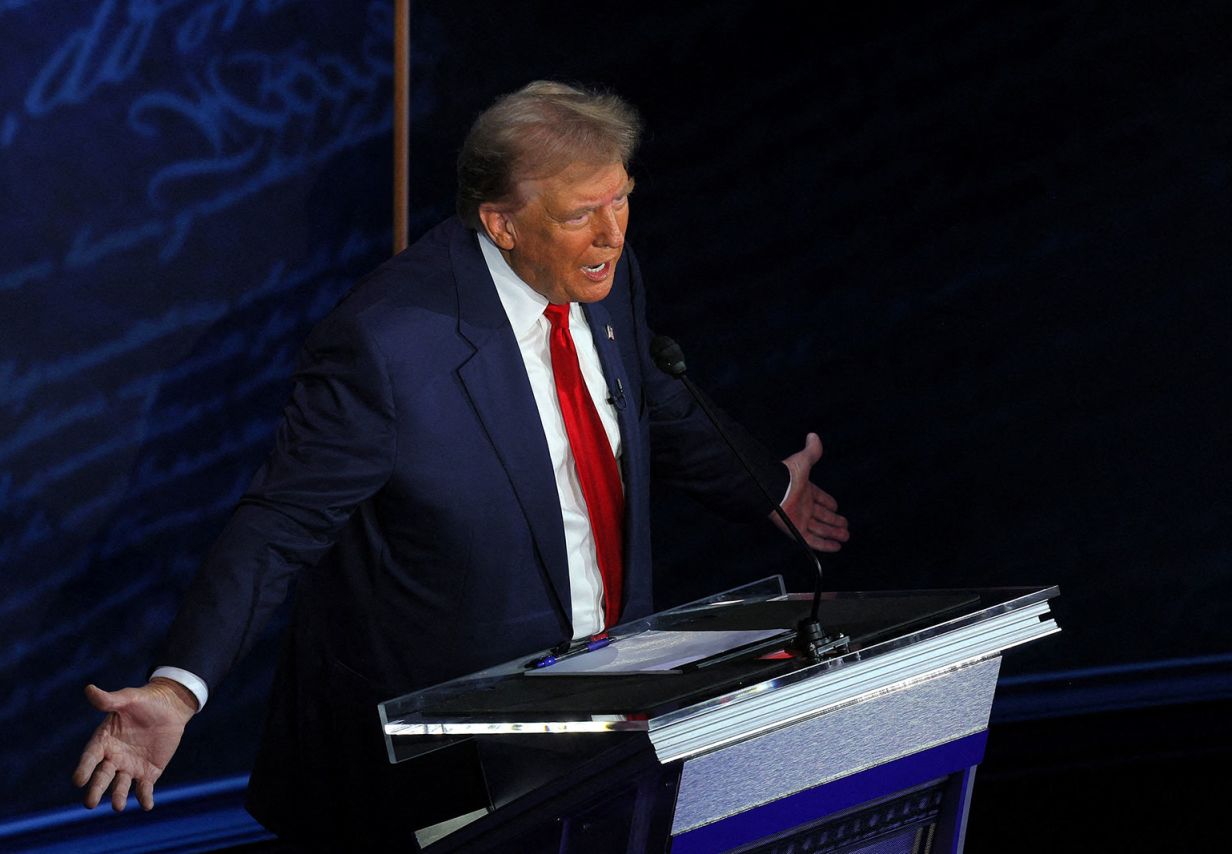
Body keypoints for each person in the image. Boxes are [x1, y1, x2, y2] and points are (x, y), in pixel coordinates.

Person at [73, 81, 849, 848]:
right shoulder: (388, 344)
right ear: (501, 223)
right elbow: (279, 527)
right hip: (447, 760)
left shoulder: (605, 283)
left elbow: (656, 403)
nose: (613, 234)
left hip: (608, 719)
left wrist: (769, 488)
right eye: (582, 214)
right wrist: (179, 688)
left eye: (622, 200)